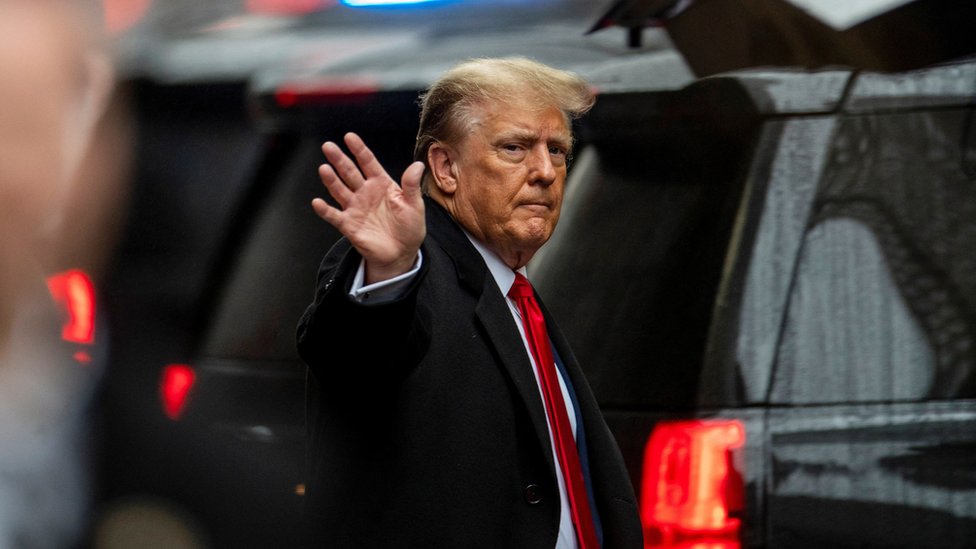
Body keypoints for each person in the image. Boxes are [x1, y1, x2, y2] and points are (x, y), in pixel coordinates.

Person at [296, 57, 642, 548]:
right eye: (515, 148)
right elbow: (356, 360)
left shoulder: (517, 292)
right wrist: (391, 271)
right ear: (446, 168)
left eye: (558, 151)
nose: (545, 171)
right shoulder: (409, 268)